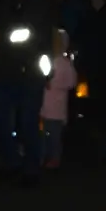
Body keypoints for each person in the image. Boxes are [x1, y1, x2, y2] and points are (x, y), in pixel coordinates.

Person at [0, 0, 57, 186]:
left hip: (29, 70)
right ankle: (12, 162)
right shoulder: (7, 0)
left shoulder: (34, 0)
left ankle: (30, 168)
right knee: (4, 118)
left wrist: (3, 39)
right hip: (10, 68)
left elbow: (32, 36)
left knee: (28, 121)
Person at [41, 29, 77, 169]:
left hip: (56, 107)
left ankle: (55, 158)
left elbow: (71, 82)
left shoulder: (65, 63)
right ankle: (42, 156)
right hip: (43, 106)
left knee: (54, 135)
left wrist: (55, 84)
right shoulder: (46, 59)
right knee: (43, 134)